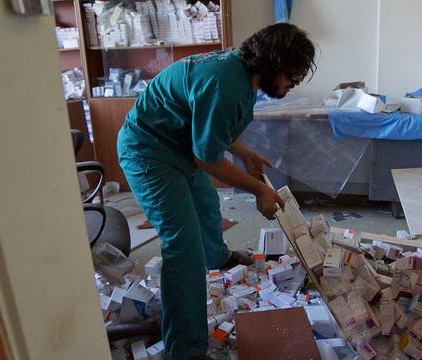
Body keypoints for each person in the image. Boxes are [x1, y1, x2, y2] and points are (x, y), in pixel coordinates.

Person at [117, 23, 316, 360]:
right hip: (149, 153)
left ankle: (218, 259)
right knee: (183, 246)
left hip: (177, 145)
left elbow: (211, 127)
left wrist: (246, 155)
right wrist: (258, 190)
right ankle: (185, 350)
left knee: (207, 206)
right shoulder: (226, 82)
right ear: (273, 64)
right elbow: (207, 158)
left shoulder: (238, 72)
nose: (293, 83)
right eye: (292, 74)